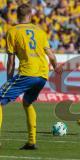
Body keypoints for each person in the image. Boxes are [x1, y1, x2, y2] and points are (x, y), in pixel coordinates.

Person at [0, 4, 60, 149]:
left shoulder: (12, 31)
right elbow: (51, 55)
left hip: (28, 72)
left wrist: (9, 78)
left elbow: (11, 60)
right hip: (42, 74)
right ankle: (31, 141)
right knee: (27, 103)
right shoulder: (39, 31)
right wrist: (56, 67)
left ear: (17, 15)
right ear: (30, 14)